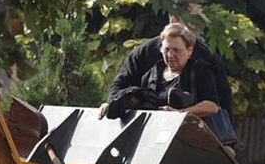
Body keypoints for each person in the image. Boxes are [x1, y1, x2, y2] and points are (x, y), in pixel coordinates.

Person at [98, 17, 233, 124]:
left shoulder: (202, 67)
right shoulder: (150, 69)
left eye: (176, 50)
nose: (170, 55)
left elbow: (214, 104)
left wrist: (179, 114)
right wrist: (111, 104)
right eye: (166, 50)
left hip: (194, 136)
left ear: (190, 50)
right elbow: (122, 84)